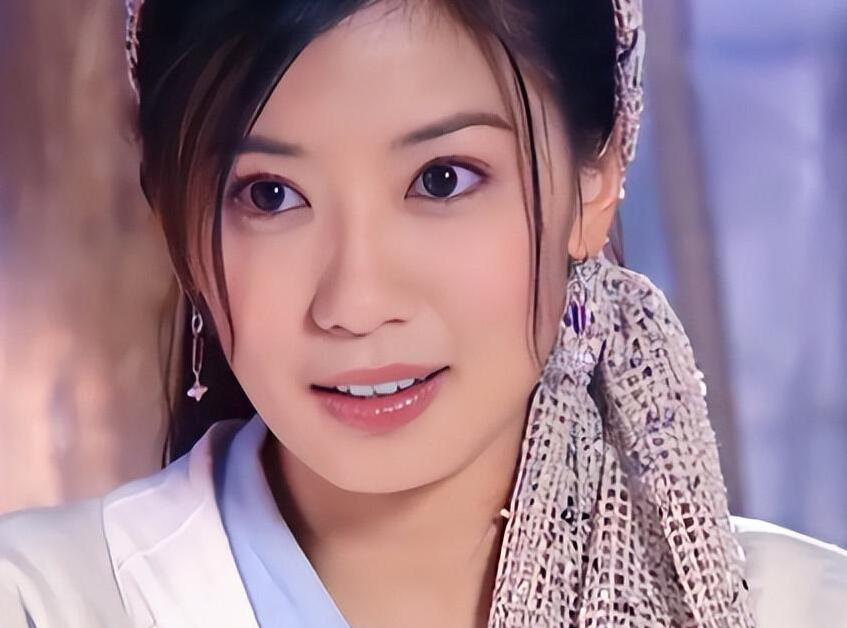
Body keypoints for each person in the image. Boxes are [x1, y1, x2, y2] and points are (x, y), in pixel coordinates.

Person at [2, 0, 846, 626]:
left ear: (595, 178)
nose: (356, 303)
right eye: (269, 195)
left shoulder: (801, 608)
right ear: (178, 223)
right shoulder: (42, 602)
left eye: (441, 180)